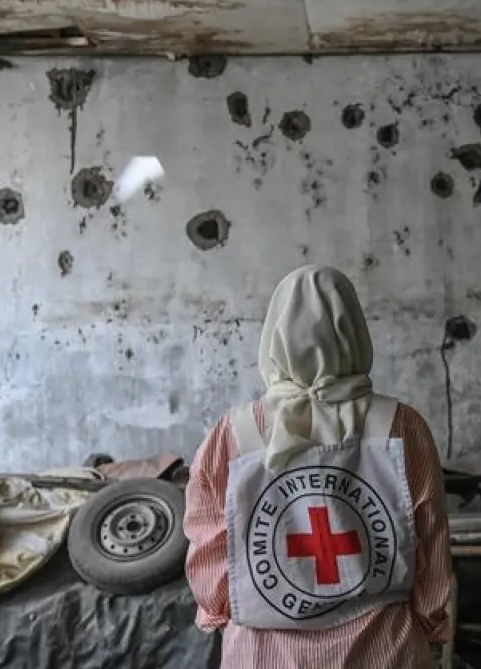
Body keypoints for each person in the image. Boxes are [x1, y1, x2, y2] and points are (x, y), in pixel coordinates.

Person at [184, 264, 453, 669]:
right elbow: (430, 537)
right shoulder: (402, 424)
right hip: (383, 648)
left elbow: (208, 545)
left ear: (274, 333)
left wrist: (227, 611)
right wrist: (430, 620)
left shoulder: (232, 433)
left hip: (263, 653)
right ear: (355, 329)